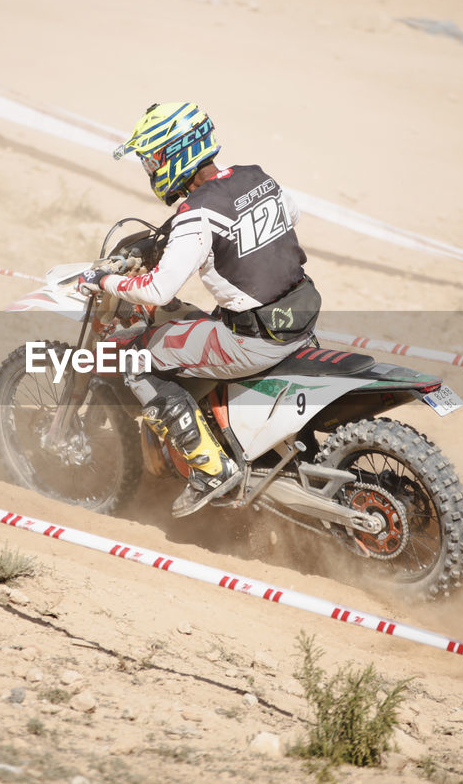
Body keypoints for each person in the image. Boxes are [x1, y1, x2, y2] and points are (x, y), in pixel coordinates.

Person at [76, 102, 320, 518]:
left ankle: (211, 471)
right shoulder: (258, 177)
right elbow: (290, 215)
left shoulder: (195, 214)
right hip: (301, 315)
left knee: (137, 360)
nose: (151, 169)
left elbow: (158, 289)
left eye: (153, 159)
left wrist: (104, 281)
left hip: (255, 339)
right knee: (203, 317)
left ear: (176, 153)